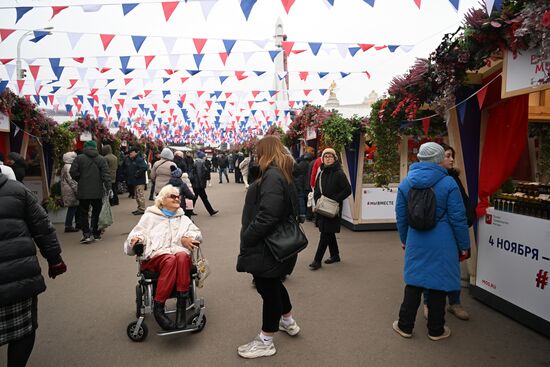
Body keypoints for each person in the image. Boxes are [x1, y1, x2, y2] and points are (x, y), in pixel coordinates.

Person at [393, 142, 470, 341]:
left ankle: (405, 325)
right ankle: (436, 329)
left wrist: (405, 239)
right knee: (438, 284)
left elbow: (401, 217)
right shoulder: (449, 183)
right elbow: (458, 218)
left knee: (413, 281)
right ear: (437, 159)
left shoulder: (406, 183)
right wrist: (463, 245)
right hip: (443, 241)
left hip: (415, 238)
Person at [236, 135, 301, 359]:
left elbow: (269, 215)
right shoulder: (279, 172)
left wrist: (248, 236)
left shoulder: (273, 175)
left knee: (268, 288)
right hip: (272, 242)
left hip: (267, 244)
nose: (255, 155)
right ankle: (287, 320)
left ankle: (266, 340)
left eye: (258, 152)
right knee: (272, 283)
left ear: (266, 152)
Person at [0, 173, 67, 367]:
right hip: (17, 274)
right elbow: (43, 227)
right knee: (22, 331)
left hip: (16, 273)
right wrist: (54, 260)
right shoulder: (18, 191)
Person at [124, 185, 202, 331]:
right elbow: (138, 235)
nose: (177, 198)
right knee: (170, 259)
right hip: (155, 259)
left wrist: (187, 238)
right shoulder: (149, 217)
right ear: (162, 200)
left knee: (182, 256)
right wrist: (137, 240)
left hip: (177, 258)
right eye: (172, 196)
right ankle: (158, 308)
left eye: (178, 196)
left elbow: (196, 232)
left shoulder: (183, 218)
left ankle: (181, 309)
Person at [422, 143, 475, 321]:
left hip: (451, 233)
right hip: (434, 233)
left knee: (452, 269)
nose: (451, 159)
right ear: (436, 158)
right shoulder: (427, 179)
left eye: (452, 155)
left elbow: (462, 206)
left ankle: (454, 302)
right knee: (431, 269)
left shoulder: (453, 179)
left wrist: (467, 220)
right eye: (447, 155)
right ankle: (428, 302)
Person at [308, 148, 352, 270]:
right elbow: (316, 188)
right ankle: (335, 255)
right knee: (328, 231)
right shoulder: (321, 172)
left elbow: (347, 190)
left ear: (334, 159)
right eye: (325, 156)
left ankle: (317, 260)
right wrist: (317, 200)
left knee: (325, 234)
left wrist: (335, 199)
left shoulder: (339, 173)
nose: (328, 159)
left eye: (330, 156)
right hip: (322, 206)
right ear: (322, 159)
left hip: (333, 208)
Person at [70, 140, 111, 243]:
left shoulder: (79, 158)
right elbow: (106, 175)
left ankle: (86, 234)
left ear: (85, 147)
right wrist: (108, 187)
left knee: (83, 213)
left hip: (83, 190)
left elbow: (73, 172)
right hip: (97, 190)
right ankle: (96, 234)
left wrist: (80, 179)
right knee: (96, 212)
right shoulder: (101, 159)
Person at [190, 151, 218, 216]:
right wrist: (201, 184)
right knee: (203, 198)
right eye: (204, 156)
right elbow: (200, 174)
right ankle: (211, 211)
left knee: (195, 198)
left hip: (196, 184)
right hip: (199, 184)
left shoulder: (197, 162)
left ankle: (190, 210)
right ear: (202, 156)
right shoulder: (200, 162)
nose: (205, 157)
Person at [61, 152, 80, 233]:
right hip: (70, 190)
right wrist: (77, 189)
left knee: (74, 207)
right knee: (73, 207)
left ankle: (74, 224)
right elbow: (71, 180)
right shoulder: (69, 167)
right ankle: (68, 225)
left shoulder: (66, 166)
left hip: (68, 189)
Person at [127, 147, 149, 215]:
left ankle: (142, 209)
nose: (130, 153)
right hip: (136, 181)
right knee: (137, 195)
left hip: (139, 181)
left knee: (139, 195)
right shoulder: (134, 159)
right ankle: (139, 208)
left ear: (135, 152)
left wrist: (137, 174)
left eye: (131, 152)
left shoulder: (139, 159)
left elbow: (145, 167)